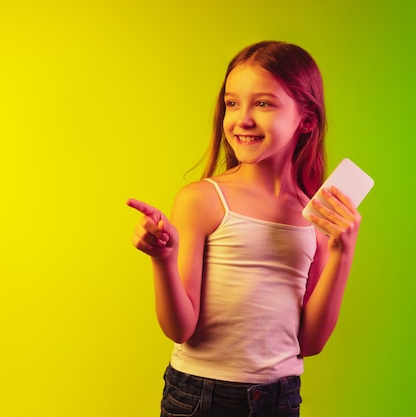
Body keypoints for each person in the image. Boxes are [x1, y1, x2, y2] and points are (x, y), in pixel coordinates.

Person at [127, 40, 362, 417]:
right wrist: (164, 260)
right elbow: (179, 329)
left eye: (264, 103)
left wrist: (342, 252)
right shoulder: (202, 199)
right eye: (232, 103)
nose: (243, 119)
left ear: (307, 119)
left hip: (281, 397)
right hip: (200, 396)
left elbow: (311, 342)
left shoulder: (315, 216)